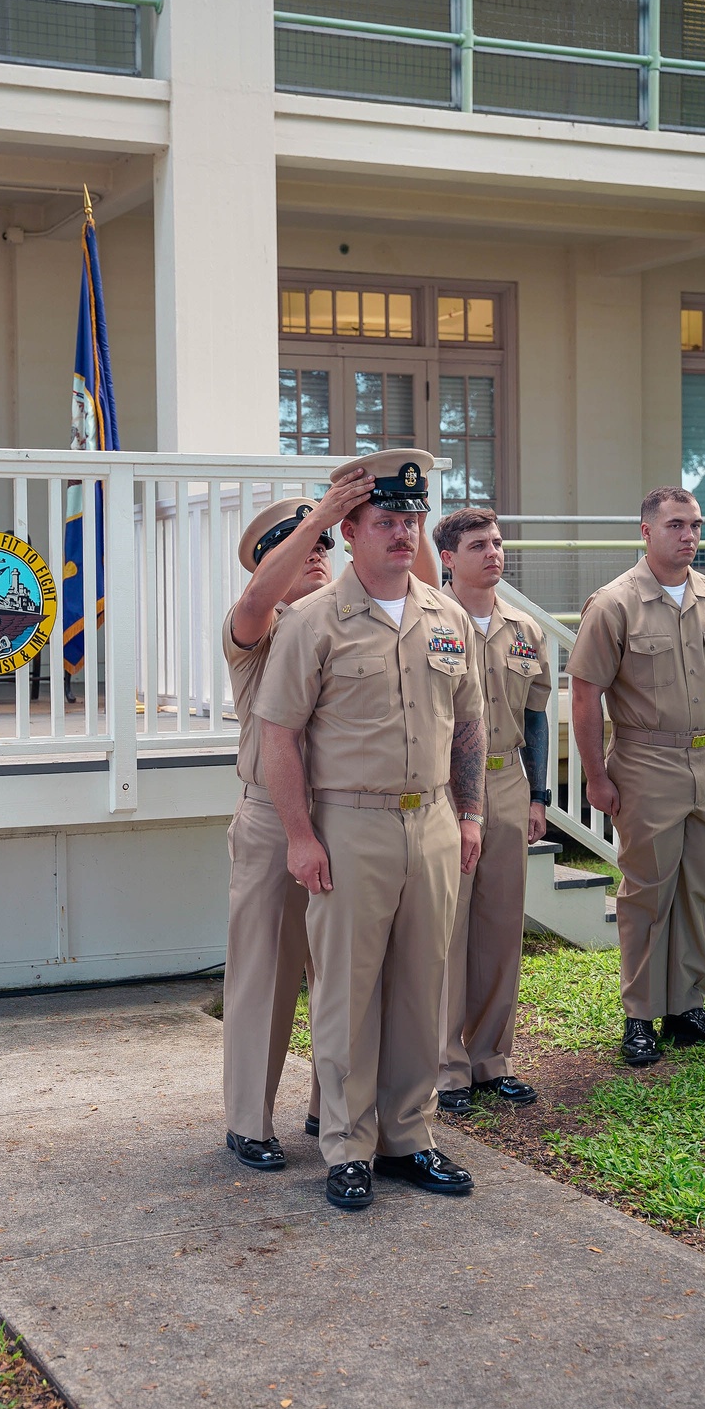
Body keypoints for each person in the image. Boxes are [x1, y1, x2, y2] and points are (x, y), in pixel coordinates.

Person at [256, 449, 486, 1210]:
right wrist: (299, 836)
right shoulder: (315, 621)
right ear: (349, 530)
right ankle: (347, 1147)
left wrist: (473, 813)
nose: (402, 533)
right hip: (348, 823)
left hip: (434, 825)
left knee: (424, 988)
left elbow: (470, 727)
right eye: (386, 521)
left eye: (411, 520)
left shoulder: (447, 616)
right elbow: (278, 737)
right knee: (347, 994)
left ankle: (408, 1139)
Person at [224, 475, 442, 1172]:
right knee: (267, 971)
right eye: (295, 547)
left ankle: (331, 1111)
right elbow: (259, 599)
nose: (314, 555)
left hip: (349, 820)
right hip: (273, 819)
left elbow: (423, 579)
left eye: (323, 545)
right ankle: (248, 1122)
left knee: (346, 979)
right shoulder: (262, 627)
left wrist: (397, 513)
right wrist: (324, 512)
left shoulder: (355, 615)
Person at [568, 486, 705, 1066]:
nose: (689, 535)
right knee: (646, 893)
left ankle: (686, 1007)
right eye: (676, 526)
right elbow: (585, 696)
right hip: (645, 762)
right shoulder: (614, 604)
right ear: (646, 532)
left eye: (695, 525)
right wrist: (595, 776)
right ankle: (640, 1015)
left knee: (698, 890)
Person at [432, 507, 552, 1115]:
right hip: (447, 790)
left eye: (498, 543)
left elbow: (535, 716)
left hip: (507, 781)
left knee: (501, 930)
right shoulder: (430, 621)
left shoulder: (523, 629)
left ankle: (490, 1060)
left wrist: (539, 795)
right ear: (448, 558)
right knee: (448, 932)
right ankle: (446, 1068)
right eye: (479, 545)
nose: (494, 554)